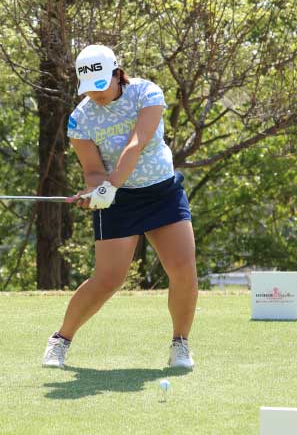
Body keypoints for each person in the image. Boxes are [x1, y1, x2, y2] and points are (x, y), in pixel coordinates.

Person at [42, 44, 198, 370]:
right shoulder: (80, 119)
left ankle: (180, 344)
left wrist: (109, 185)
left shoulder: (146, 94)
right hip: (119, 201)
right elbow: (92, 170)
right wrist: (96, 190)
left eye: (101, 86)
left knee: (183, 269)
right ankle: (60, 340)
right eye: (90, 88)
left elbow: (136, 143)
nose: (96, 95)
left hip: (162, 193)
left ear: (117, 73)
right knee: (108, 279)